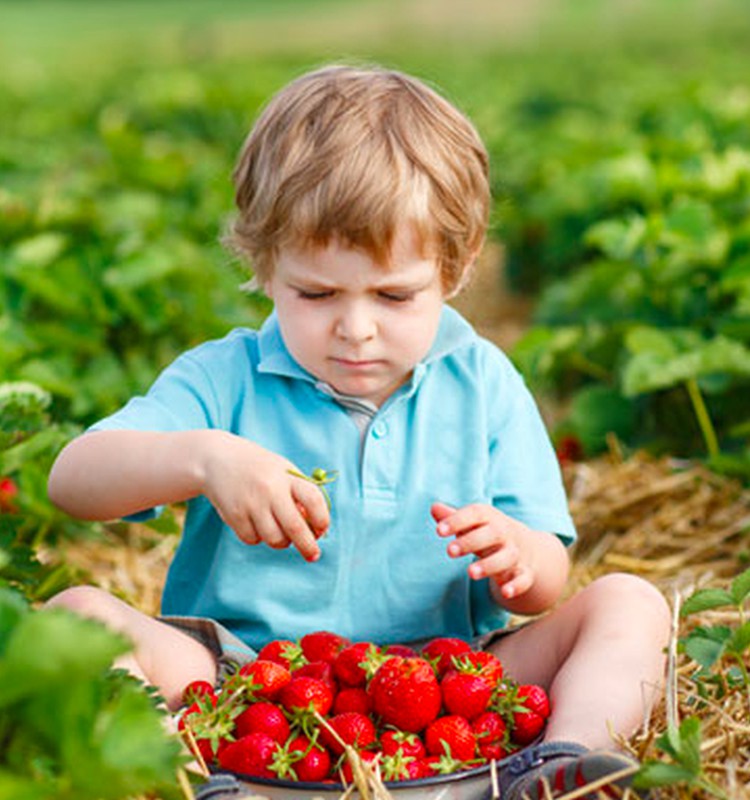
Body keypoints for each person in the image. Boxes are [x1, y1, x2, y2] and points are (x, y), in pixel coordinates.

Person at [46, 64, 670, 799]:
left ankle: (565, 760)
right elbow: (73, 480)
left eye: (395, 295)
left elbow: (549, 577)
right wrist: (202, 457)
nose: (356, 329)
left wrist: (519, 556)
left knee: (632, 603)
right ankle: (183, 777)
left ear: (459, 268)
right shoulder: (222, 380)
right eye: (316, 293)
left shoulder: (484, 382)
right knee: (76, 616)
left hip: (450, 684)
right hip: (244, 690)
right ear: (263, 263)